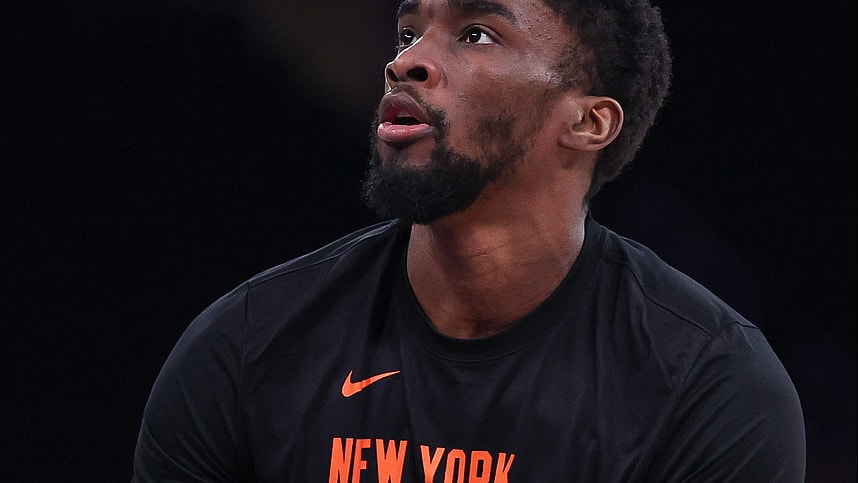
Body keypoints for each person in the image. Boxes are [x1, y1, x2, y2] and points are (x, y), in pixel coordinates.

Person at [132, 0, 806, 481]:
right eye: (406, 32)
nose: (407, 63)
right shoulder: (247, 345)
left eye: (477, 34)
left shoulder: (709, 387)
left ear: (589, 121)